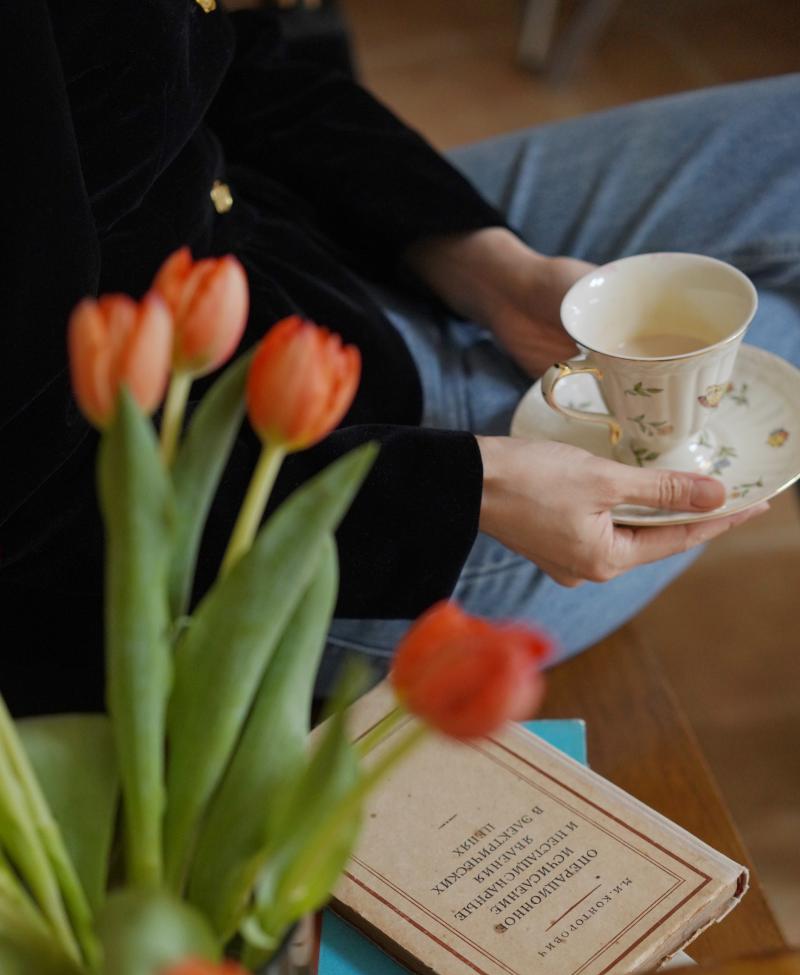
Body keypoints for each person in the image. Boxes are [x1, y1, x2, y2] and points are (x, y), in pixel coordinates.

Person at [3, 1, 798, 714]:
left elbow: (223, 62)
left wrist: (480, 261)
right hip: (293, 538)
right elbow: (35, 501)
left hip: (316, 251)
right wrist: (464, 490)